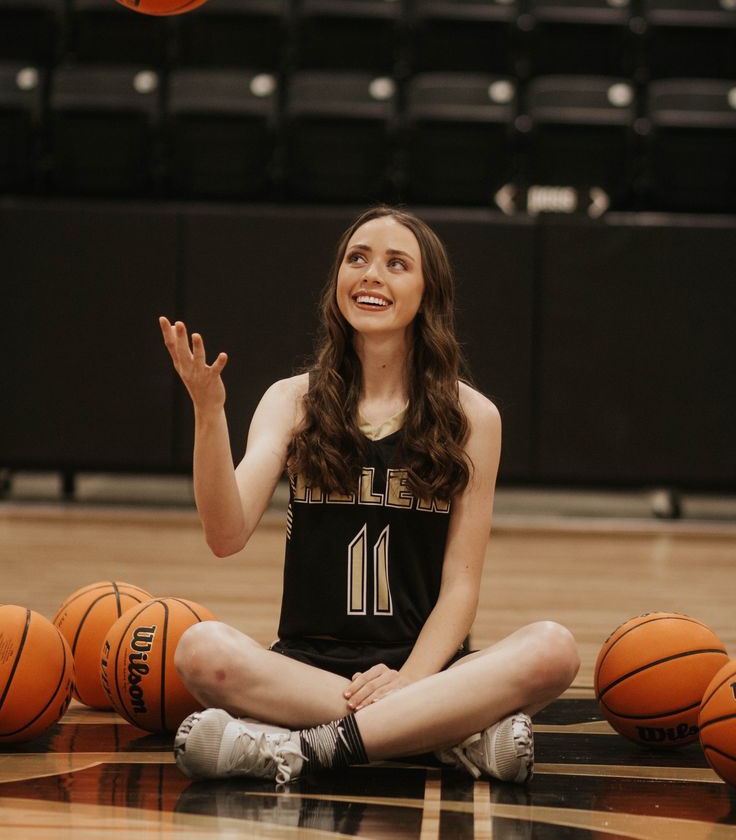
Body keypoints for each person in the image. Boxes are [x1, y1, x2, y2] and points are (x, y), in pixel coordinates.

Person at [159, 205, 579, 786]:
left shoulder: (473, 416)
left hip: (426, 667)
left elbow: (461, 586)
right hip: (307, 666)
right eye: (357, 259)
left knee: (553, 650)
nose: (370, 274)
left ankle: (295, 747)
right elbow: (225, 534)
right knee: (200, 650)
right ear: (336, 285)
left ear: (428, 292)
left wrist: (408, 680)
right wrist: (209, 415)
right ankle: (445, 737)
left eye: (396, 263)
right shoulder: (292, 400)